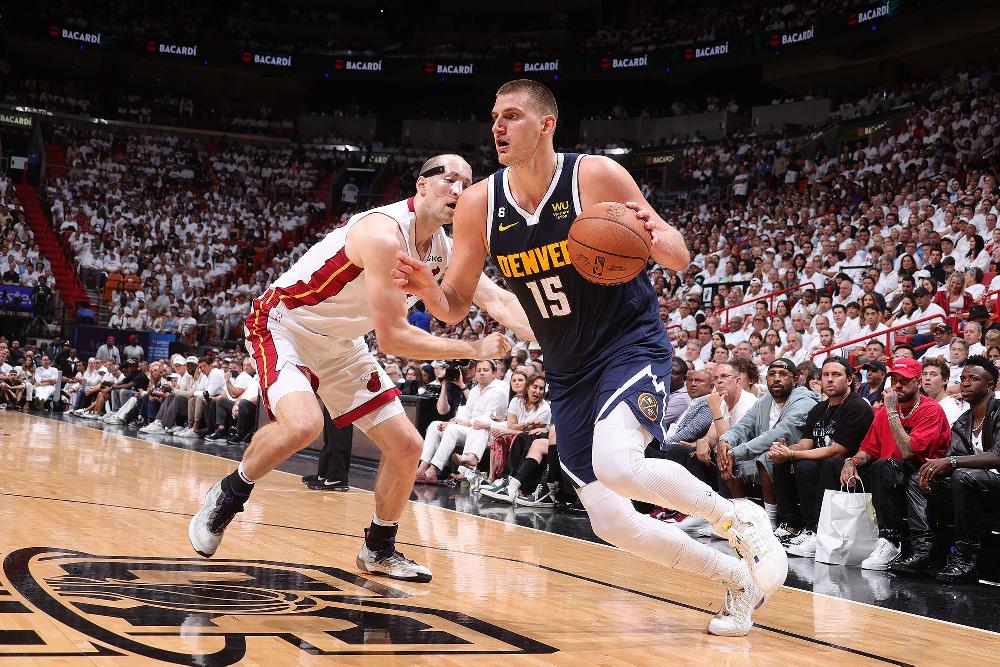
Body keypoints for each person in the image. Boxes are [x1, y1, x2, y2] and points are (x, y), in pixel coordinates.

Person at [394, 79, 786, 636]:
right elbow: (456, 304)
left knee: (618, 462)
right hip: (567, 366)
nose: (497, 128)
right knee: (610, 521)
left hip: (629, 342)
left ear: (546, 124)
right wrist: (428, 291)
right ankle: (735, 580)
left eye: (511, 117)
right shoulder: (481, 202)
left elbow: (677, 255)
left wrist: (654, 234)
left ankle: (739, 518)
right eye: (494, 117)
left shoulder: (594, 176)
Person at [189, 154, 533, 584]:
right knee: (303, 425)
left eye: (468, 183)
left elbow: (498, 301)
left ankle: (378, 549)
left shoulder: (443, 249)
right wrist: (473, 347)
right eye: (449, 179)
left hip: (341, 344)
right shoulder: (383, 232)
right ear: (421, 185)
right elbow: (392, 339)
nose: (460, 191)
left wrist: (555, 337)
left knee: (407, 446)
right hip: (286, 324)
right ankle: (228, 494)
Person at [828, 357, 951, 570]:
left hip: (921, 474)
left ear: (919, 382)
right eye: (894, 379)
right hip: (886, 472)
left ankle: (890, 540)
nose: (898, 385)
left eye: (905, 380)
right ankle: (825, 534)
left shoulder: (931, 410)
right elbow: (869, 449)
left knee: (883, 466)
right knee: (834, 465)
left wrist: (892, 411)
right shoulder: (884, 411)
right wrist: (851, 461)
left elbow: (908, 451)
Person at [894, 355, 1000, 582]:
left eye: (974, 378)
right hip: (972, 484)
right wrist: (933, 470)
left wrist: (951, 463)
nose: (966, 383)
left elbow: (996, 457)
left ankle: (965, 559)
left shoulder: (999, 412)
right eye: (963, 378)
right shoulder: (963, 420)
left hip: (994, 483)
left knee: (962, 475)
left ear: (990, 385)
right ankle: (923, 551)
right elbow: (952, 458)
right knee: (917, 478)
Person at [767, 357, 874, 557]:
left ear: (849, 379)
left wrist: (794, 454)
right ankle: (792, 525)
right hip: (823, 463)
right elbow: (806, 442)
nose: (830, 380)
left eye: (836, 375)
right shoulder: (819, 408)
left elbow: (838, 450)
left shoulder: (857, 407)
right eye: (826, 375)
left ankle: (816, 531)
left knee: (809, 465)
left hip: (851, 468)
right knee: (782, 463)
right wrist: (786, 451)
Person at [715, 358, 819, 528]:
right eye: (772, 374)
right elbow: (743, 426)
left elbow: (777, 434)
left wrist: (736, 452)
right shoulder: (765, 400)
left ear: (795, 379)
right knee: (721, 452)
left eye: (783, 374)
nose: (776, 378)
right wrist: (725, 441)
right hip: (763, 456)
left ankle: (770, 523)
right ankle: (743, 517)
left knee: (767, 456)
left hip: (794, 458)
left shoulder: (804, 401)